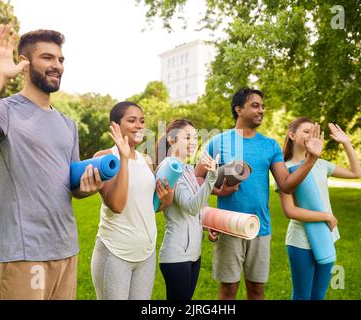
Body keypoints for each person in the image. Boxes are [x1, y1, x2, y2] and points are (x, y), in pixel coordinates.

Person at [0, 25, 104, 299]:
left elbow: (71, 184)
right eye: (47, 58)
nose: (57, 66)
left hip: (66, 250)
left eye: (60, 59)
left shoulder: (68, 124)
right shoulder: (5, 110)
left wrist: (84, 188)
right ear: (25, 64)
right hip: (25, 253)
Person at [195, 87, 323, 300]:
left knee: (256, 290)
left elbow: (286, 185)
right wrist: (215, 197)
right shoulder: (219, 142)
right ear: (238, 109)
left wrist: (311, 159)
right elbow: (197, 178)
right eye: (255, 105)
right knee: (228, 290)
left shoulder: (270, 145)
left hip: (259, 228)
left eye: (263, 106)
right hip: (228, 226)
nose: (261, 110)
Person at [90, 101, 174, 300]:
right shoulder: (103, 158)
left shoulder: (146, 160)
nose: (139, 125)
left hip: (146, 252)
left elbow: (149, 206)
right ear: (115, 126)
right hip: (115, 252)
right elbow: (117, 205)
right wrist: (124, 158)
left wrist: (167, 199)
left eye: (142, 121)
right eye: (132, 120)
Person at [276, 117, 361, 300]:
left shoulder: (321, 165)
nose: (310, 135)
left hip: (325, 236)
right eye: (305, 131)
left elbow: (356, 173)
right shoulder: (284, 169)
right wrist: (325, 216)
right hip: (300, 241)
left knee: (318, 296)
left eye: (313, 131)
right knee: (302, 296)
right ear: (292, 135)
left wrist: (346, 143)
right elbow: (289, 211)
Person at [156, 119, 219, 300]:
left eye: (195, 138)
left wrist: (210, 226)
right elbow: (191, 206)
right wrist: (211, 177)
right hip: (176, 256)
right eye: (187, 137)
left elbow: (198, 208)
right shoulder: (169, 168)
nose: (193, 142)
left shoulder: (188, 169)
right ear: (172, 140)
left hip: (193, 254)